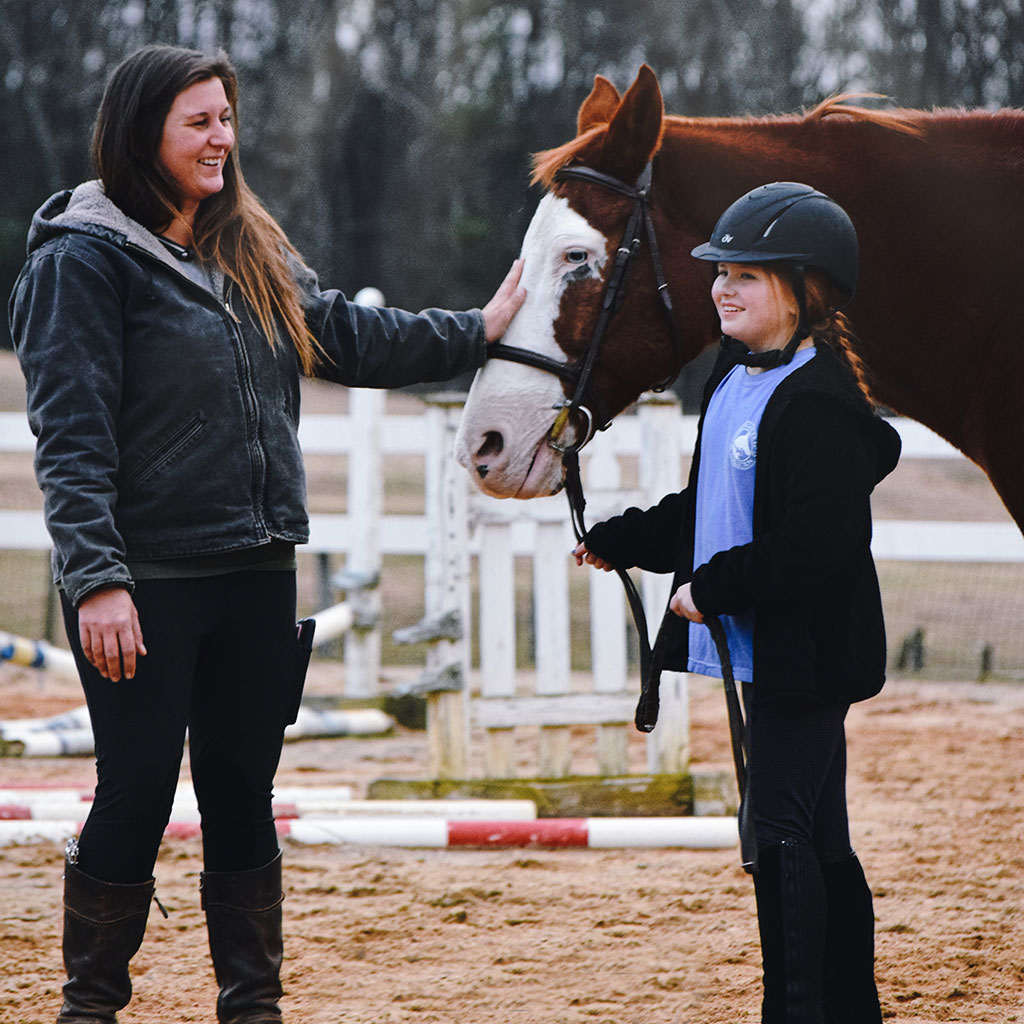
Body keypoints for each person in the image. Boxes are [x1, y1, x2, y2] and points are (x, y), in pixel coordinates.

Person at [8, 43, 524, 1024]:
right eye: (197, 120)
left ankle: (253, 1006)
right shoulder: (81, 258)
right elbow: (69, 436)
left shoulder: (248, 244)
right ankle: (87, 1008)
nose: (221, 138)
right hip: (146, 581)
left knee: (243, 791)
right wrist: (96, 578)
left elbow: (348, 336)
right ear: (140, 131)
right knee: (137, 794)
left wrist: (479, 327)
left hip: (255, 570)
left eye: (227, 118)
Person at [573, 182, 900, 1023]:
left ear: (806, 291)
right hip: (765, 645)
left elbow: (815, 545)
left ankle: (794, 1010)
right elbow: (707, 506)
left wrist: (710, 589)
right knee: (817, 835)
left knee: (778, 832)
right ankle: (846, 1009)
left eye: (747, 276)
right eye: (721, 271)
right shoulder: (729, 378)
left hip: (808, 654)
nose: (723, 287)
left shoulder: (819, 401)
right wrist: (625, 538)